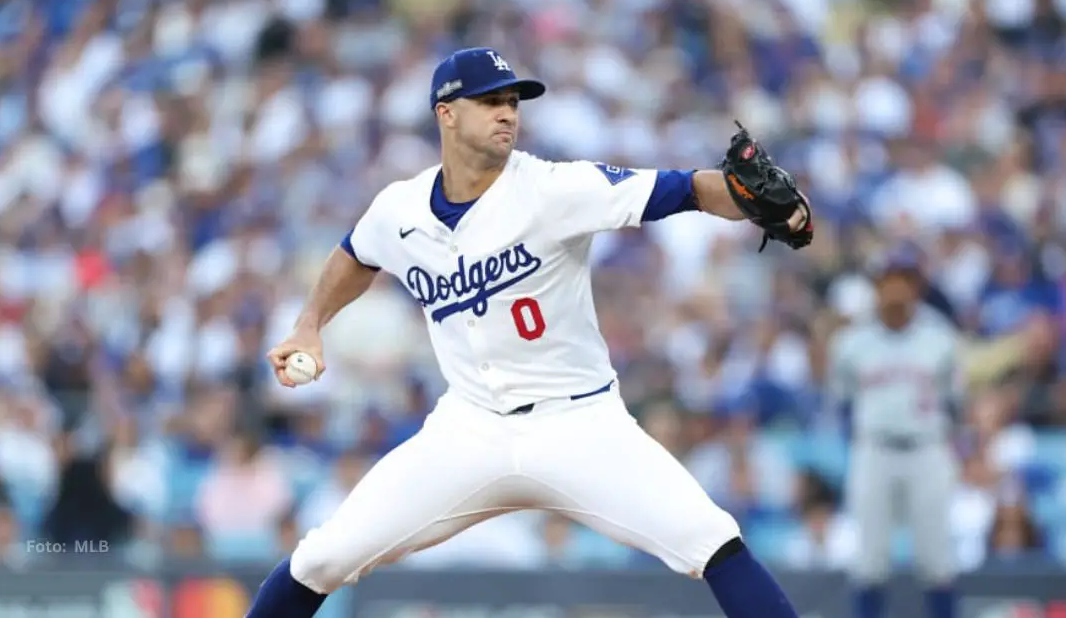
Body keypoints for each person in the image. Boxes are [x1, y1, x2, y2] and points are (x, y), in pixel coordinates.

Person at [248, 47, 812, 618]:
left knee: (711, 538)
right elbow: (356, 255)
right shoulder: (398, 209)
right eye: (491, 101)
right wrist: (308, 325)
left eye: (513, 102)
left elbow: (687, 189)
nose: (507, 114)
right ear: (446, 113)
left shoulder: (552, 188)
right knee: (321, 558)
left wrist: (754, 203)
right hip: (467, 429)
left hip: (578, 424)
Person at [826, 248, 963, 618]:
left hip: (927, 449)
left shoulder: (940, 337)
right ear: (877, 287)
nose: (896, 290)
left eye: (905, 281)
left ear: (916, 287)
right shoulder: (852, 341)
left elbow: (954, 402)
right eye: (889, 281)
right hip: (875, 450)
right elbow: (843, 403)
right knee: (869, 559)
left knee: (937, 559)